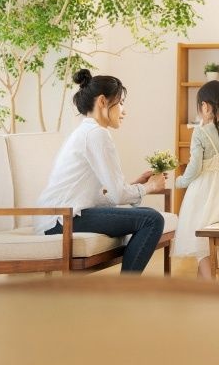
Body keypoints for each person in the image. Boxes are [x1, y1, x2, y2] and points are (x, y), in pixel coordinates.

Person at [33, 69, 166, 273]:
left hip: (59, 216)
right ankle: (127, 289)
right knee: (152, 220)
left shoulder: (87, 131)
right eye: (121, 103)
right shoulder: (96, 135)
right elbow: (118, 195)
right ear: (103, 101)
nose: (124, 111)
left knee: (148, 215)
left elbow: (98, 197)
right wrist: (150, 186)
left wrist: (135, 185)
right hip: (61, 220)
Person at [173, 80, 219, 280]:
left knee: (199, 238)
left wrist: (180, 182)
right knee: (206, 241)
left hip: (205, 192)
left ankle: (211, 287)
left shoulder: (201, 132)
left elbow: (194, 167)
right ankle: (202, 285)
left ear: (205, 106)